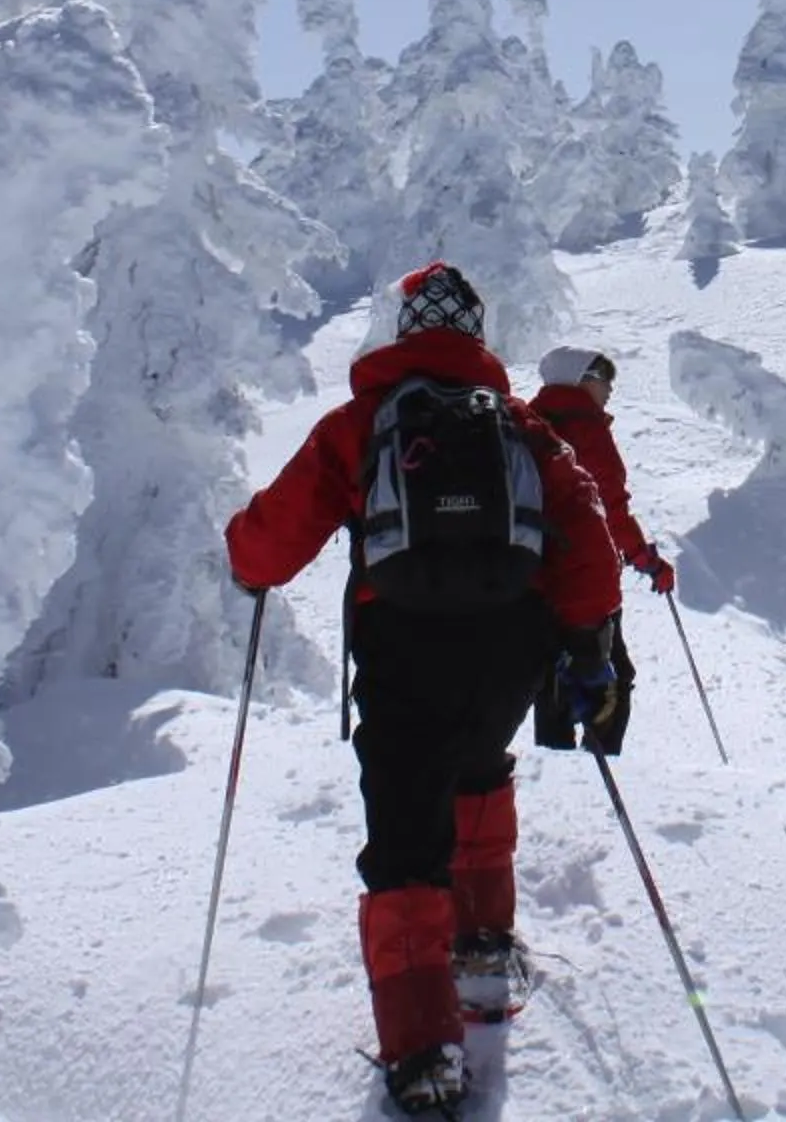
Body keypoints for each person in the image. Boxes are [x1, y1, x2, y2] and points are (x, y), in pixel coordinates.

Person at [226, 262, 626, 1116]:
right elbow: (585, 528)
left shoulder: (362, 420)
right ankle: (482, 947)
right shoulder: (520, 425)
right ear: (476, 335)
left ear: (407, 331)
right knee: (480, 768)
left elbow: (267, 546)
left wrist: (245, 555)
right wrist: (587, 647)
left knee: (406, 834)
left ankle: (423, 1051)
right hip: (508, 645)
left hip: (403, 648)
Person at [525, 346, 672, 755]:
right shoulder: (586, 429)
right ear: (579, 379)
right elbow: (609, 508)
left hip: (535, 576)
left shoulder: (529, 423)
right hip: (587, 580)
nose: (609, 387)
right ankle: (599, 765)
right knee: (611, 678)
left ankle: (555, 763)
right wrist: (646, 559)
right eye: (602, 377)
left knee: (554, 675)